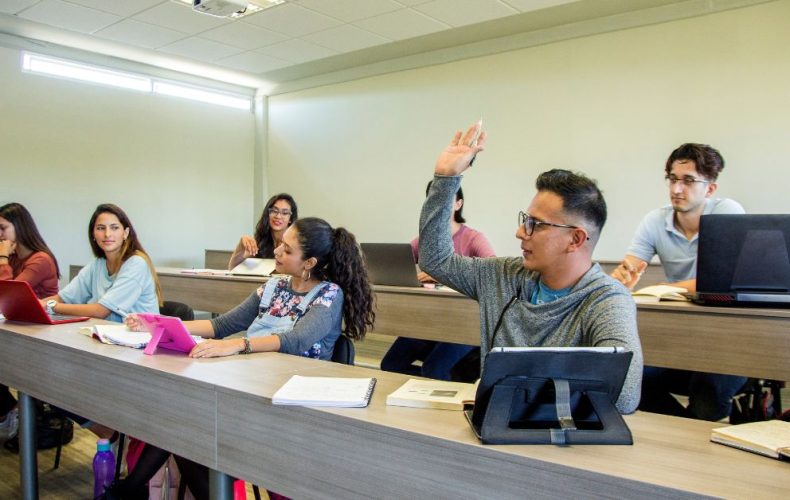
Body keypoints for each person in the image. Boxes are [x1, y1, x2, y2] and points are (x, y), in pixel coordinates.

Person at [112, 216, 376, 500]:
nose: (276, 251)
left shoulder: (328, 294)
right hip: (249, 385)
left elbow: (295, 340)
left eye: (287, 250)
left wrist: (238, 345)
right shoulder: (274, 286)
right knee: (182, 425)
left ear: (309, 263)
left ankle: (126, 491)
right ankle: (128, 491)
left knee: (186, 426)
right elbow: (221, 325)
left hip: (287, 402)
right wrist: (157, 323)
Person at [418, 122, 642, 413]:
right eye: (526, 220)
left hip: (558, 442)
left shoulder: (607, 300)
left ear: (575, 239)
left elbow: (623, 396)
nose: (521, 232)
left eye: (535, 225)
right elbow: (435, 258)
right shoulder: (503, 276)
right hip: (493, 427)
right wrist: (446, 178)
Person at [610, 143, 746, 421]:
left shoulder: (727, 212)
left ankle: (696, 431)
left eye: (688, 181)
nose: (676, 189)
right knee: (625, 375)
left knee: (707, 393)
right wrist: (623, 279)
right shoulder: (655, 220)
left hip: (730, 340)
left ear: (709, 189)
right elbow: (628, 270)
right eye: (672, 179)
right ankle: (685, 424)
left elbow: (719, 283)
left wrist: (662, 288)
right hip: (685, 336)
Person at [40, 203, 162, 441]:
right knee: (47, 375)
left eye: (114, 228)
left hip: (140, 351)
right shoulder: (97, 265)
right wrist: (40, 304)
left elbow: (100, 310)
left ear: (126, 232)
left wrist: (51, 306)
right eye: (101, 228)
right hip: (108, 345)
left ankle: (109, 426)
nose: (107, 234)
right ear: (93, 235)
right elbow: (64, 296)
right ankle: (102, 426)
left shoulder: (136, 263)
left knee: (60, 373)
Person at [381, 181, 495, 380]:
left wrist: (442, 272)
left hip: (465, 323)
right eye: (433, 199)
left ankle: (448, 384)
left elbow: (492, 274)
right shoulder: (422, 240)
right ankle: (439, 384)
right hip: (430, 320)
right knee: (390, 365)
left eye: (446, 200)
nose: (439, 205)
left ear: (458, 204)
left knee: (434, 369)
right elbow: (399, 264)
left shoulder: (474, 238)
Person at [0, 202, 61, 441]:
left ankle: (13, 411)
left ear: (20, 227)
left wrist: (2, 258)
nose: (0, 235)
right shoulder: (14, 259)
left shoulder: (40, 259)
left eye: (3, 228)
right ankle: (11, 411)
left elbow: (8, 294)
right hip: (18, 330)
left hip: (41, 336)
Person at [227, 193, 298, 270]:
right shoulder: (260, 242)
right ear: (268, 214)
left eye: (284, 213)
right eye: (274, 211)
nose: (278, 216)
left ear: (290, 219)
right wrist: (240, 246)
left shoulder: (296, 243)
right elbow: (233, 268)